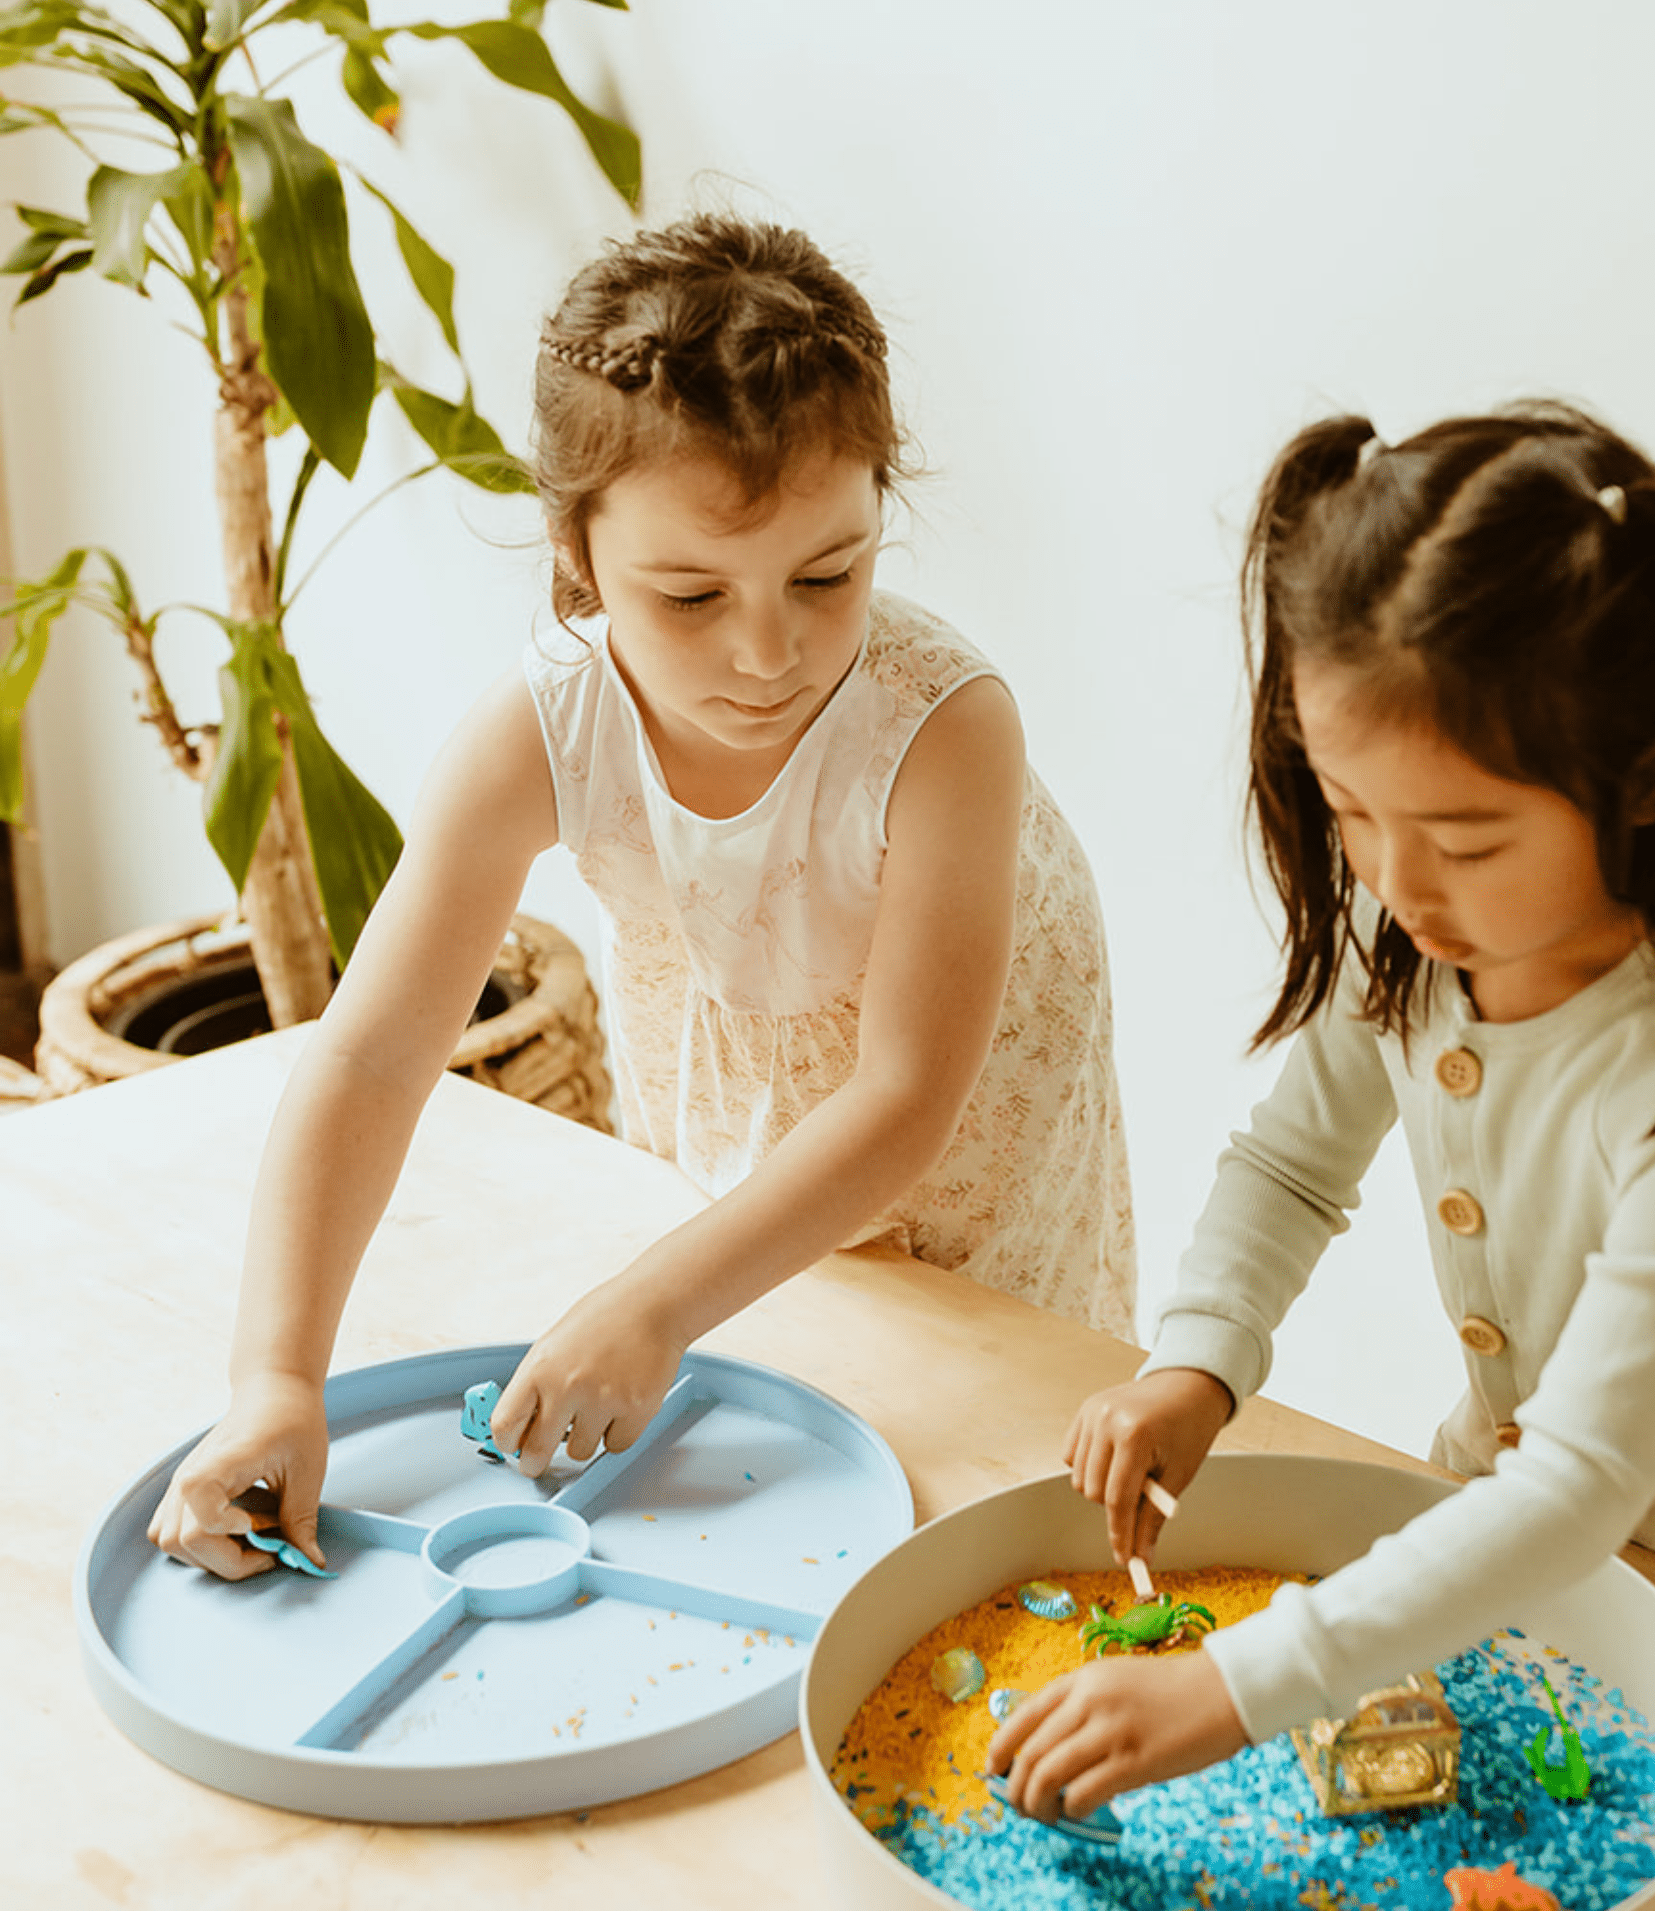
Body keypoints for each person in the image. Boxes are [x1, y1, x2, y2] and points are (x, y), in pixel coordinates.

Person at [990, 401, 1655, 1823]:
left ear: (1647, 782)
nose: (1397, 880)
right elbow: (1290, 1165)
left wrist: (1232, 1688)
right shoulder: (1413, 955)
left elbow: (1583, 1482)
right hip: (1524, 1501)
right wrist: (1195, 1366)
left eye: (1466, 838)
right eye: (1350, 812)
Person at [149, 215, 1134, 1578]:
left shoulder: (947, 732)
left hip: (965, 1143)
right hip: (745, 1083)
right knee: (776, 1398)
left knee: (972, 1450)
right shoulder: (539, 734)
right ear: (577, 558)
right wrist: (276, 1379)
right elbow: (371, 1057)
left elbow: (909, 1099)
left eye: (829, 574)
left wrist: (651, 1306)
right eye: (686, 597)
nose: (769, 651)